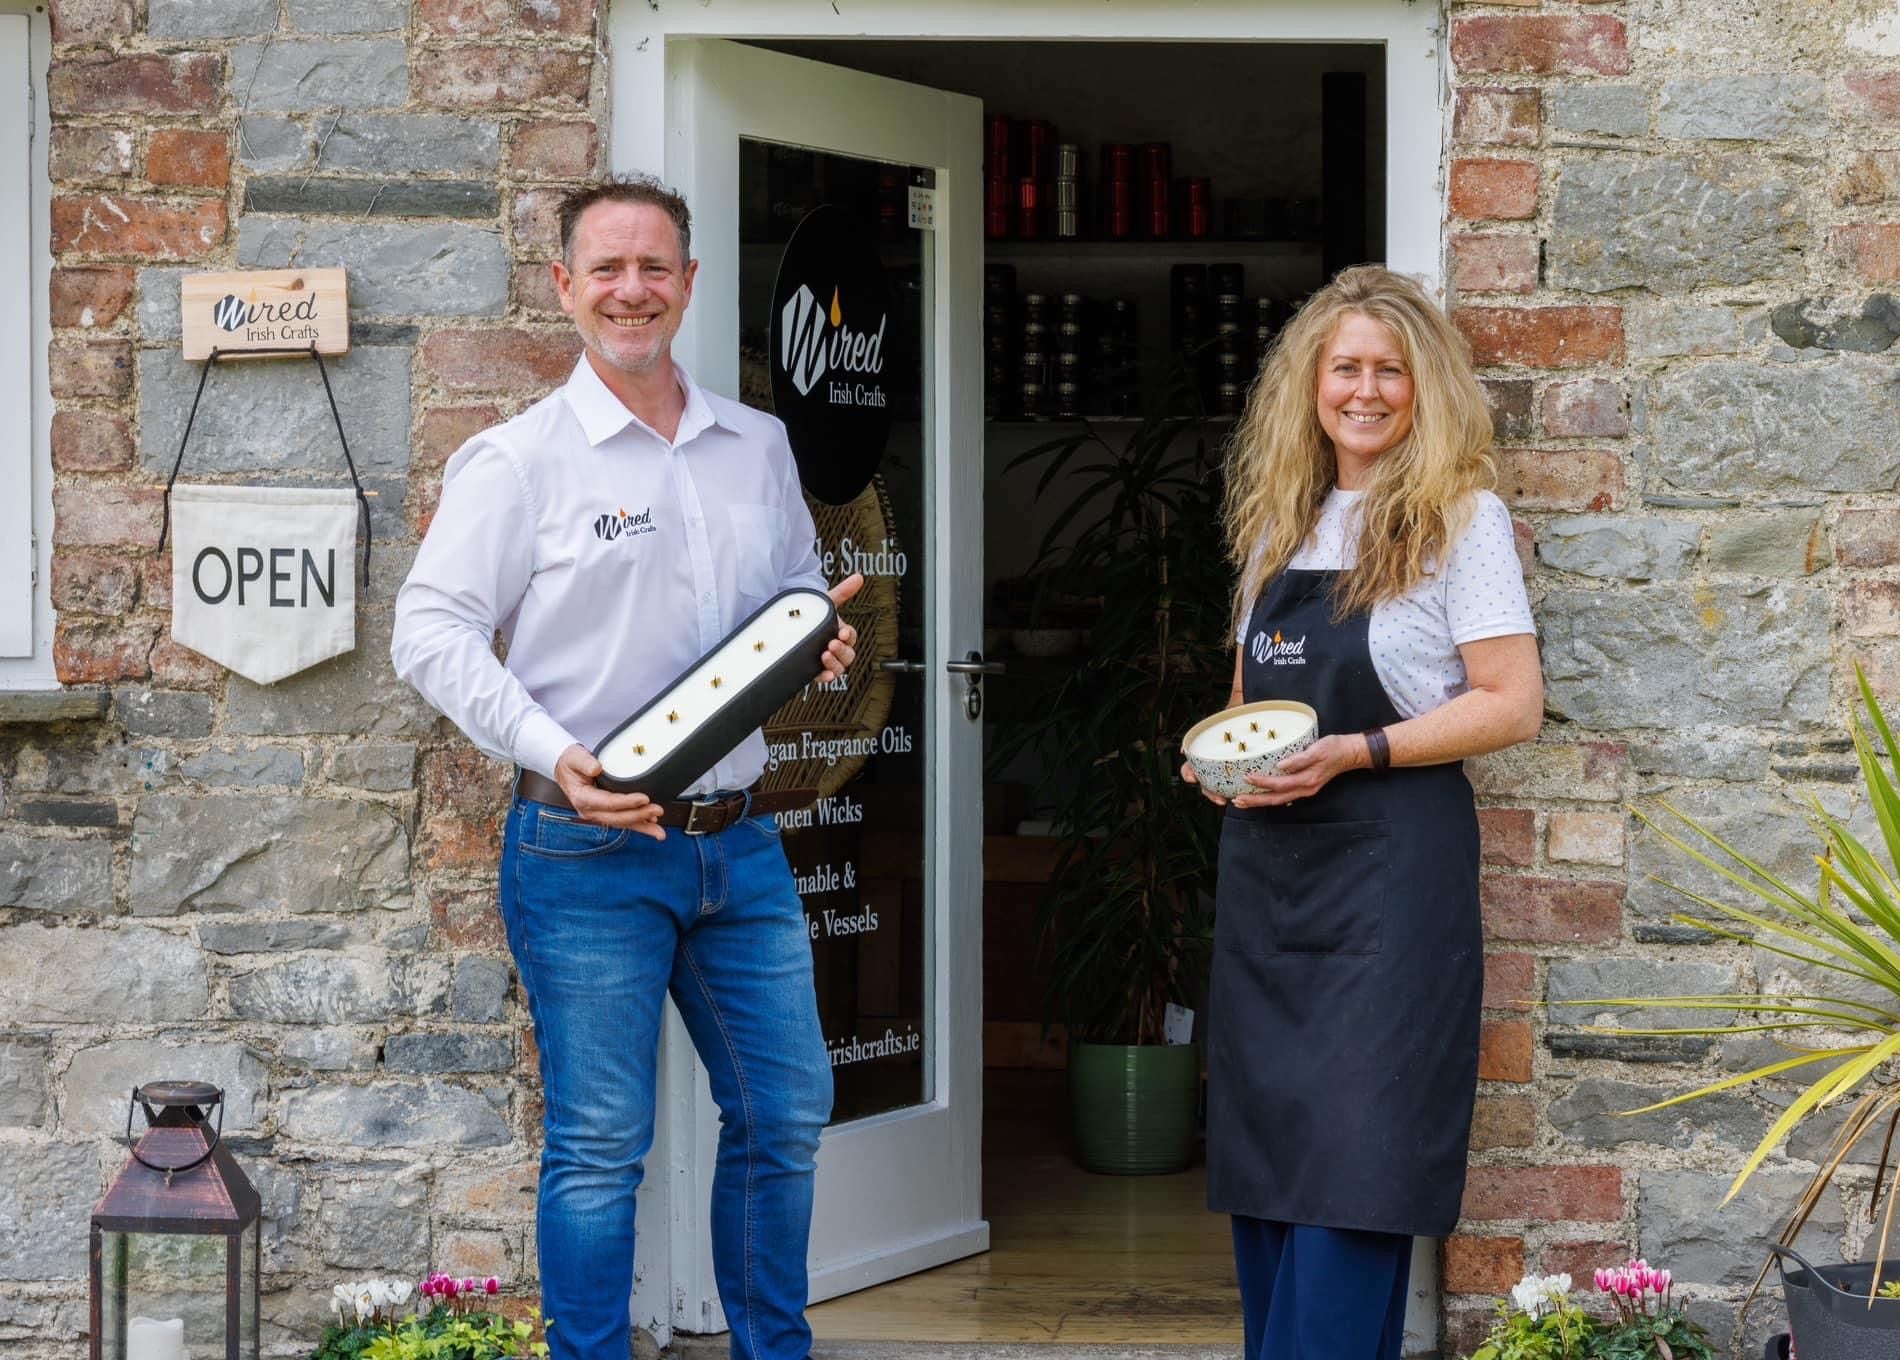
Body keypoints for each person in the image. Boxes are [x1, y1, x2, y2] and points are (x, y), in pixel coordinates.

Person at [391, 174, 861, 1360]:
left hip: (738, 845)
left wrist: (819, 633)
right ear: (564, 286)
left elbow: (788, 600)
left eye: (655, 267)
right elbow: (430, 630)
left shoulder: (757, 447)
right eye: (606, 268)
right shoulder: (520, 461)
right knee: (601, 1141)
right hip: (586, 846)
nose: (631, 290)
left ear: (691, 283)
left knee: (786, 1112)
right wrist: (557, 752)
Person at [1182, 265, 1543, 1360]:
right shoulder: (1278, 528)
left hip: (1391, 887)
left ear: (1425, 389)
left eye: (1390, 371)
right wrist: (1214, 765)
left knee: (1357, 1171)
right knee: (1268, 1170)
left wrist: (1360, 750)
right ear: (1312, 384)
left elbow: (1511, 702)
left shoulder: (1458, 521)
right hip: (1272, 882)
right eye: (1346, 368)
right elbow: (1250, 706)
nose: (1366, 391)